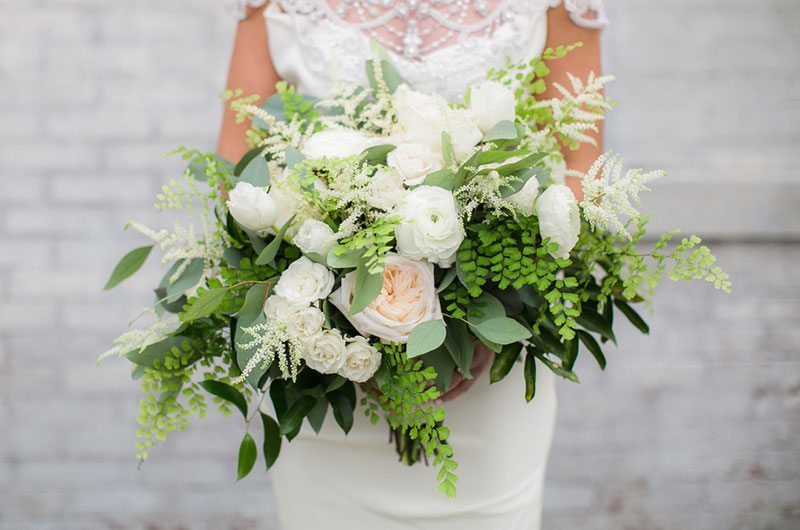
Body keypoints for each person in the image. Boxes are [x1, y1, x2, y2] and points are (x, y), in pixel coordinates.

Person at [217, 2, 607, 528]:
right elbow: (235, 173)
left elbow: (581, 168)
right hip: (331, 381)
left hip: (490, 382)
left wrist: (488, 326)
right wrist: (340, 330)